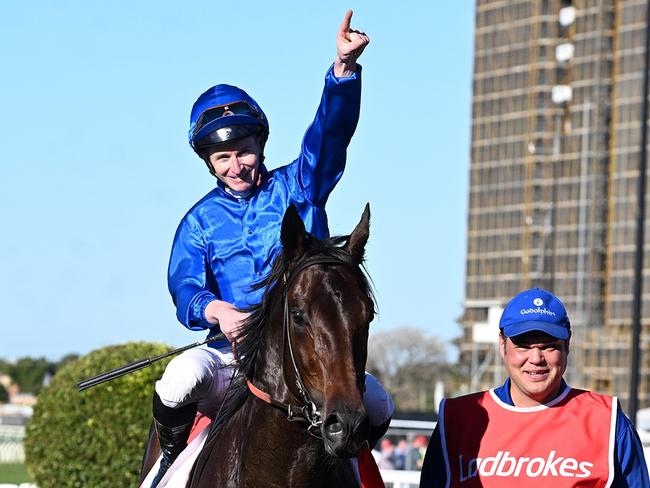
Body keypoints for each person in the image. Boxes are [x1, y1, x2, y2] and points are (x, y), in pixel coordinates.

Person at [147, 11, 394, 487]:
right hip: (230, 357)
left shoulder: (300, 185)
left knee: (380, 403)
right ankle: (166, 466)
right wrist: (216, 309)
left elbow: (330, 137)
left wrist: (342, 74)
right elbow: (185, 288)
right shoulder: (198, 222)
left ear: (260, 144)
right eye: (224, 157)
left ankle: (356, 464)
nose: (236, 165)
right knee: (177, 378)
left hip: (307, 354)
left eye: (244, 151)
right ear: (209, 163)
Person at [420, 288, 650, 487]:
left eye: (549, 347)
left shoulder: (607, 420)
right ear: (502, 345)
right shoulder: (457, 419)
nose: (536, 358)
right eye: (523, 346)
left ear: (567, 346)